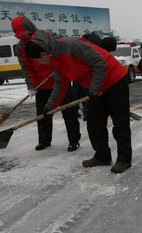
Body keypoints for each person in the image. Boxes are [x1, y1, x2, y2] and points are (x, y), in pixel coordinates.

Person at [24, 29, 132, 174]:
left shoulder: (71, 45)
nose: (39, 63)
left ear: (43, 54)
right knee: (94, 122)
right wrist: (49, 107)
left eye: (37, 60)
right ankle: (102, 155)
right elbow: (60, 85)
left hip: (114, 81)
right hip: (95, 88)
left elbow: (99, 62)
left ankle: (124, 159)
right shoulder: (55, 59)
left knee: (120, 123)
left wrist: (94, 90)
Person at [11, 16, 81, 152]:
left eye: (26, 35)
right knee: (43, 114)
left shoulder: (47, 36)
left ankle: (74, 140)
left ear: (30, 29)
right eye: (21, 37)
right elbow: (26, 67)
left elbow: (62, 46)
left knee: (69, 112)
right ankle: (44, 140)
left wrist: (61, 66)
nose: (24, 39)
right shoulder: (20, 48)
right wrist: (31, 86)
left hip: (60, 81)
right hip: (41, 85)